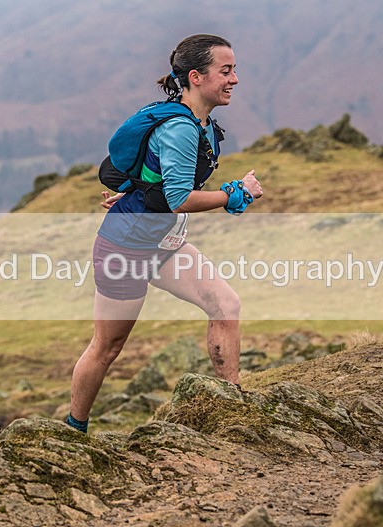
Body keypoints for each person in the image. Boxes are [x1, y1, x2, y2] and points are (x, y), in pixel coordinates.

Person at [66, 34, 263, 434]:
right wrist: (234, 194)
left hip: (164, 243)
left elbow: (160, 177)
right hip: (125, 247)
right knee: (107, 347)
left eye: (234, 70)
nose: (235, 79)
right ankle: (74, 430)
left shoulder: (201, 123)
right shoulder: (181, 128)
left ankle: (232, 400)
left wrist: (137, 191)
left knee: (225, 304)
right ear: (196, 76)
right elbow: (176, 198)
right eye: (226, 71)